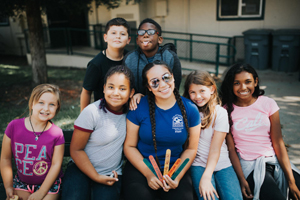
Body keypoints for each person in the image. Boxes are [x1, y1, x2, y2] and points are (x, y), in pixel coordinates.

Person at [220, 63, 300, 200]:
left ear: (256, 82)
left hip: (273, 160)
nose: (243, 87)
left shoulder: (268, 104)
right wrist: (241, 180)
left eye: (248, 82)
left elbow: (278, 143)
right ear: (230, 85)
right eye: (237, 83)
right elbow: (231, 149)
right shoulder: (225, 110)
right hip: (249, 165)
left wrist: (291, 181)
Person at [123, 60, 201, 200]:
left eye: (166, 77)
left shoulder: (190, 109)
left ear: (173, 76)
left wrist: (177, 176)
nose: (163, 84)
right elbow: (129, 146)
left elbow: (191, 149)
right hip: (142, 166)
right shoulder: (138, 108)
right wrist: (148, 173)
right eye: (155, 82)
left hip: (175, 167)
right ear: (149, 87)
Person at [61, 65, 135, 200]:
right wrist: (95, 176)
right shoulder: (92, 112)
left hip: (110, 172)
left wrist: (139, 96)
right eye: (111, 87)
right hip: (80, 167)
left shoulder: (132, 115)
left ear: (131, 93)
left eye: (122, 89)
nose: (116, 93)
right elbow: (76, 150)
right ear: (104, 88)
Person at [183, 70, 242, 200]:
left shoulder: (220, 113)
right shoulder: (189, 112)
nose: (197, 96)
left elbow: (215, 149)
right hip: (198, 164)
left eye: (202, 91)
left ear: (212, 89)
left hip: (222, 164)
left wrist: (206, 176)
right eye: (193, 92)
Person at [1, 84, 65, 200]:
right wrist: (8, 186)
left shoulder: (57, 133)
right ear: (32, 104)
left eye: (52, 104)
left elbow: (56, 165)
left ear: (57, 108)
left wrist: (41, 192)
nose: (46, 108)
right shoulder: (14, 127)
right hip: (22, 183)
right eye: (41, 102)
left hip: (49, 186)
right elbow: (5, 159)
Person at [123, 18, 182, 110]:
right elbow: (126, 85)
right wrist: (134, 95)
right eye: (141, 32)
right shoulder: (129, 59)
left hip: (165, 105)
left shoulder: (170, 57)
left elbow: (175, 86)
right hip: (138, 106)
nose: (145, 35)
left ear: (160, 39)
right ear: (137, 40)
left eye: (151, 32)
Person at [80, 17, 131, 111]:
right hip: (104, 113)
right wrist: (83, 119)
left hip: (127, 112)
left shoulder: (131, 59)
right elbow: (86, 92)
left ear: (128, 40)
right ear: (105, 37)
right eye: (113, 33)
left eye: (122, 34)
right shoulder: (96, 64)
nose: (118, 36)